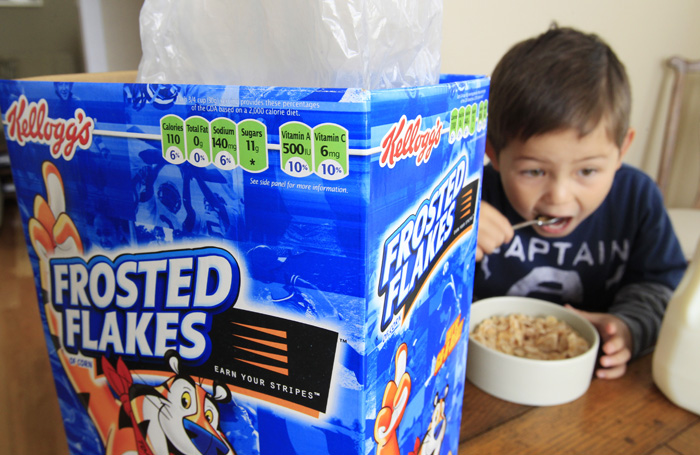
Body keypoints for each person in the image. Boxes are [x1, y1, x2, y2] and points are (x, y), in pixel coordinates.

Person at [474, 25, 687, 379]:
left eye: (587, 171)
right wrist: (450, 233)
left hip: (598, 387)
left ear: (622, 150)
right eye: (533, 172)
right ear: (494, 155)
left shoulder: (636, 199)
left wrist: (631, 326)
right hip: (485, 377)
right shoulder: (476, 198)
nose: (559, 196)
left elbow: (661, 284)